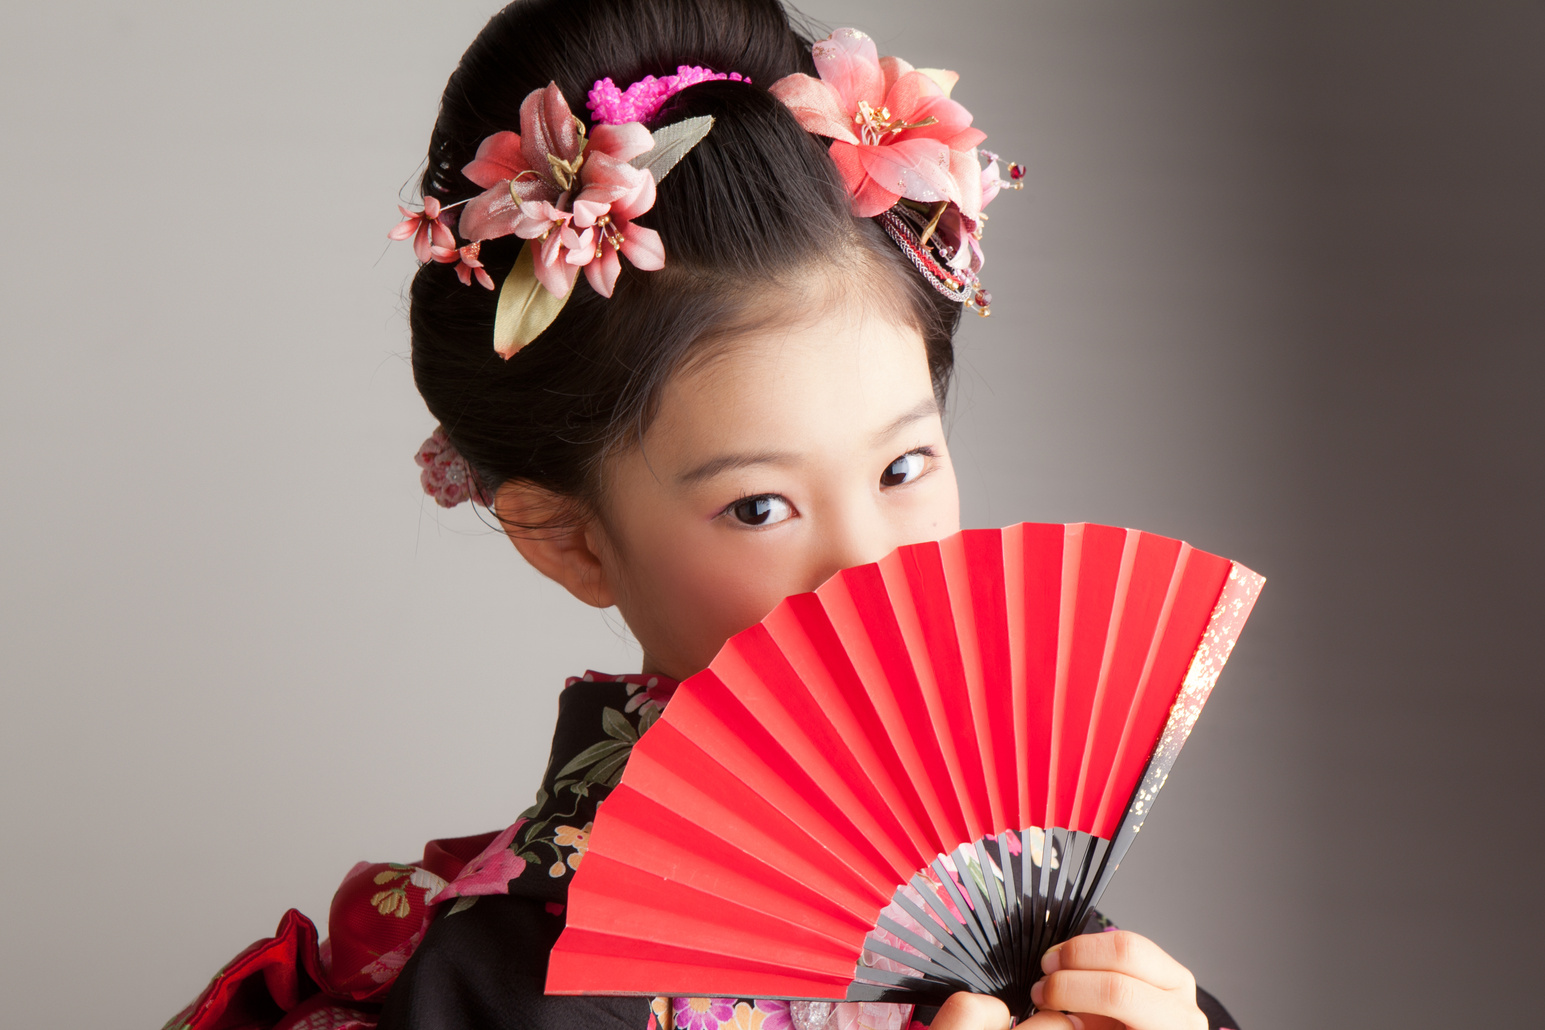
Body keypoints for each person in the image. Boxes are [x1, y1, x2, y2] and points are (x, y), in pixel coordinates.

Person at [165, 2, 1237, 1029]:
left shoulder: (1016, 899)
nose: (867, 568)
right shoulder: (516, 980)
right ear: (572, 537)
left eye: (905, 464)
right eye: (759, 504)